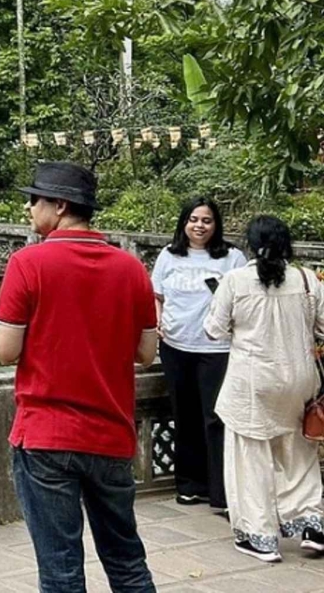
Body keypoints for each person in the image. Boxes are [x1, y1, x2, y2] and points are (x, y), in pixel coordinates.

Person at [0, 161, 159, 593]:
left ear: (60, 205)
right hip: (111, 434)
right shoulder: (132, 268)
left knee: (61, 568)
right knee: (127, 562)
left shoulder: (27, 263)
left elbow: (4, 351)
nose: (29, 208)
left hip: (47, 435)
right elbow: (146, 353)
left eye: (35, 200)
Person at [203, 215, 324, 563]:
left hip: (253, 382)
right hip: (299, 379)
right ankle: (312, 525)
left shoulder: (235, 280)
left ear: (250, 245)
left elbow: (214, 330)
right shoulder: (305, 279)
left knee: (249, 459)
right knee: (300, 453)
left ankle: (260, 536)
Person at [151, 196, 247, 512]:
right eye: (193, 219)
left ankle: (220, 491)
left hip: (217, 349)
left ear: (216, 225)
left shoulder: (232, 258)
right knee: (185, 415)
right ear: (184, 223)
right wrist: (157, 322)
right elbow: (157, 295)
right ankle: (189, 485)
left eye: (206, 220)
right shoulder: (169, 255)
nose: (199, 226)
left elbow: (245, 300)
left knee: (216, 417)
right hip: (177, 345)